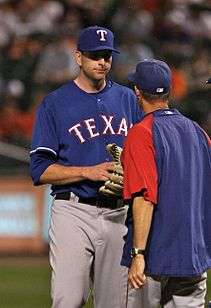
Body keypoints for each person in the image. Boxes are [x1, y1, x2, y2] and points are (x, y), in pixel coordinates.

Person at [29, 26, 142, 308]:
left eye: (107, 55)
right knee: (68, 300)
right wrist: (87, 171)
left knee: (115, 303)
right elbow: (40, 170)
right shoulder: (55, 103)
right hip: (74, 211)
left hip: (119, 212)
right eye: (94, 55)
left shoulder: (129, 99)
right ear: (78, 57)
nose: (102, 62)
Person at [120, 59, 211, 308]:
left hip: (154, 256)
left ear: (137, 91)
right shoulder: (198, 132)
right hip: (193, 256)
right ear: (170, 90)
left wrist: (138, 254)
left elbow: (144, 197)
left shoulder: (141, 133)